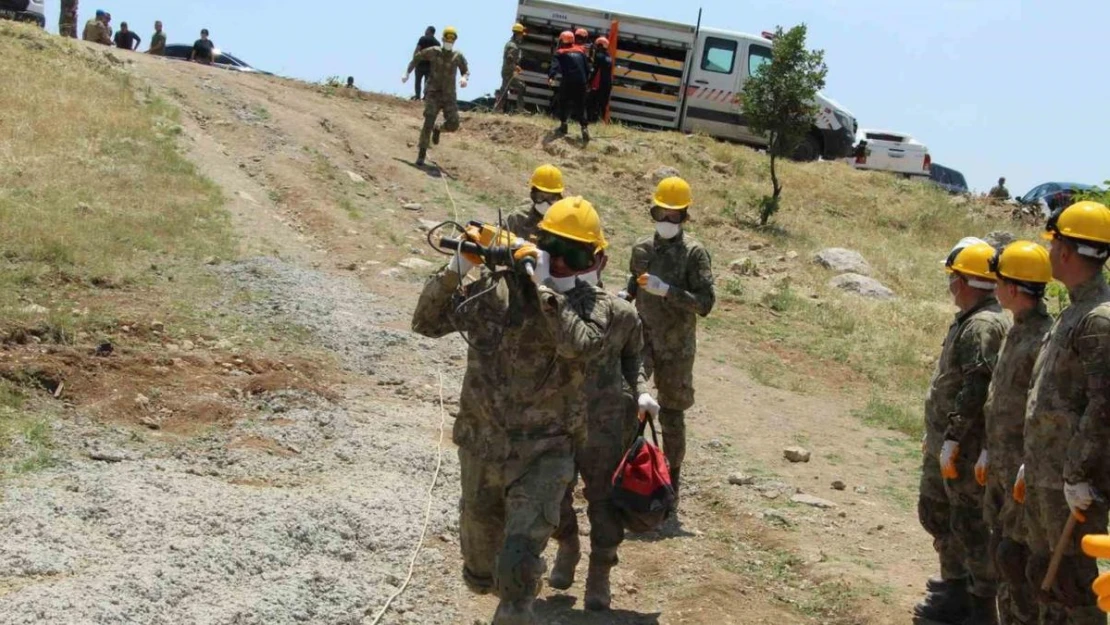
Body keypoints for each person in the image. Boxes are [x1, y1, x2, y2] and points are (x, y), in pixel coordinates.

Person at [412, 196, 615, 625]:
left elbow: (577, 344)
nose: (560, 263)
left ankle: (517, 610)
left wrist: (541, 286)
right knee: (480, 571)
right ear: (538, 245)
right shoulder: (495, 290)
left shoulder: (592, 305)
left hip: (544, 453)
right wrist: (458, 270)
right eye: (553, 250)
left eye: (573, 255)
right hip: (482, 446)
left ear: (595, 258)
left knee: (518, 567)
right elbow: (426, 324)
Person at [547, 205, 655, 612]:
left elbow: (633, 360)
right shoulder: (544, 304)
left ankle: (600, 573)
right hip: (553, 418)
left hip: (606, 423)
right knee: (551, 493)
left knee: (604, 501)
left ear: (601, 260)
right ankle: (568, 544)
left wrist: (642, 392)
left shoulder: (623, 313)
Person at [1020, 201, 1110, 624]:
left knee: (1074, 584)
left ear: (1069, 252)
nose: (1051, 253)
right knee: (1047, 580)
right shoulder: (1074, 310)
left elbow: (1103, 407)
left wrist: (1078, 474)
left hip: (1073, 483)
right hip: (1048, 473)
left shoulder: (1099, 320)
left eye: (1054, 245)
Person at [915, 238, 1010, 625]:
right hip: (950, 442)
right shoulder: (971, 318)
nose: (951, 283)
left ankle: (972, 603)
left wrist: (953, 438)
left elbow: (977, 388)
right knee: (942, 516)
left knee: (967, 524)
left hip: (966, 448)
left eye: (954, 276)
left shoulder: (983, 325)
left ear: (968, 280)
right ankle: (955, 587)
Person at [625, 176, 716, 502]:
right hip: (642, 341)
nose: (667, 220)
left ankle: (670, 486)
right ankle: (625, 473)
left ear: (684, 217)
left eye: (674, 215)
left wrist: (668, 292)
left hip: (677, 347)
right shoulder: (641, 249)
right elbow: (633, 284)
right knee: (625, 400)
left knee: (672, 416)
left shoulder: (694, 254)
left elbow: (705, 303)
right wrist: (625, 295)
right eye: (662, 213)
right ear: (653, 211)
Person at [980, 241, 1053, 625]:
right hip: (1001, 467)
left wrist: (1027, 462)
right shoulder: (1018, 330)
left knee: (1017, 559)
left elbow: (1038, 409)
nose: (995, 287)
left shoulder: (1043, 336)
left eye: (1000, 280)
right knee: (1003, 554)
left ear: (1012, 286)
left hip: (1023, 473)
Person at [402, 26, 469, 167]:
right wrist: (407, 72)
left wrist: (464, 78)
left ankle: (438, 129)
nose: (450, 41)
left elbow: (466, 70)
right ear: (443, 38)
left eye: (452, 39)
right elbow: (418, 57)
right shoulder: (434, 52)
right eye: (448, 38)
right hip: (433, 93)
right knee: (428, 121)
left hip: (449, 96)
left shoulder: (458, 56)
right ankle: (421, 154)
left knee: (454, 124)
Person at [548, 31, 591, 143]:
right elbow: (587, 69)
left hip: (568, 81)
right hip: (581, 82)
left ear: (562, 41)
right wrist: (586, 82)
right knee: (581, 106)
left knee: (563, 102)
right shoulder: (581, 52)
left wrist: (551, 77)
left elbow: (554, 66)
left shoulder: (560, 52)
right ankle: (584, 128)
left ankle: (564, 125)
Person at [504, 164, 566, 240]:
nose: (545, 203)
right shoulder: (517, 218)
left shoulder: (561, 227)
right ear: (533, 195)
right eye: (541, 197)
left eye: (551, 198)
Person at [496, 23, 528, 114]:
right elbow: (509, 58)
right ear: (517, 34)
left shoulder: (511, 44)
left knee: (510, 89)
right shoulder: (513, 46)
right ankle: (498, 109)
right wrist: (515, 67)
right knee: (505, 91)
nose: (522, 37)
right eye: (521, 34)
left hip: (507, 71)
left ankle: (519, 108)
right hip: (508, 72)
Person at [587, 37, 613, 123]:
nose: (596, 47)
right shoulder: (609, 57)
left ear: (601, 45)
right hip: (608, 83)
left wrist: (589, 81)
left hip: (600, 83)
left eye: (597, 46)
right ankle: (602, 121)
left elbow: (595, 69)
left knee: (592, 101)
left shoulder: (599, 56)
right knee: (603, 104)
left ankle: (591, 120)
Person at [412, 26, 439, 101]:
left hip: (420, 64)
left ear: (429, 31)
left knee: (418, 81)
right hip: (429, 66)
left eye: (426, 30)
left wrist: (414, 61)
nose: (425, 31)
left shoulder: (423, 38)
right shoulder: (437, 43)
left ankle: (417, 96)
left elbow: (417, 50)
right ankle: (425, 98)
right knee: (427, 83)